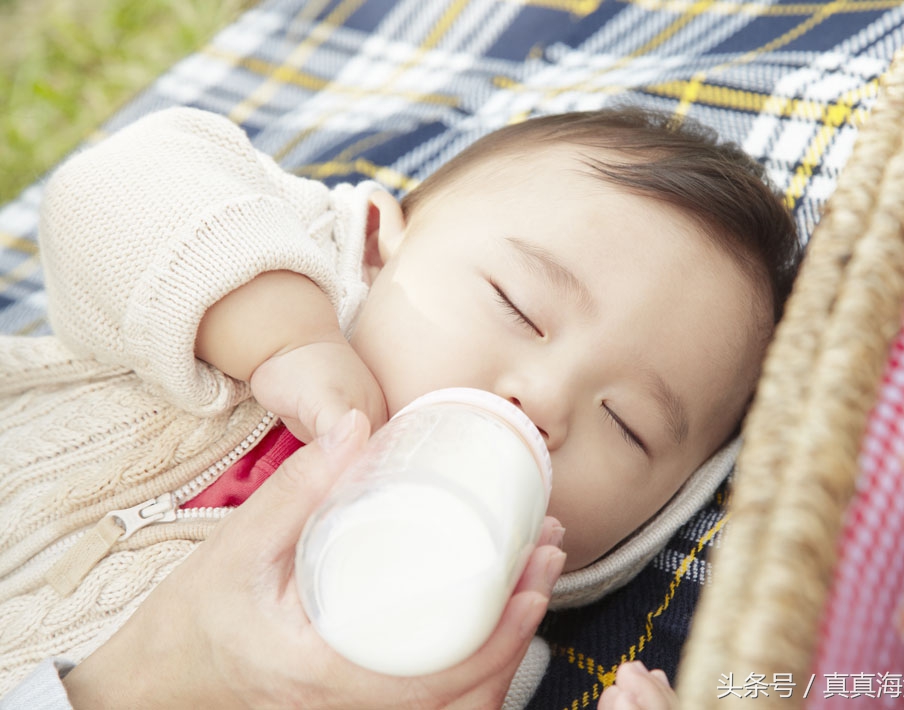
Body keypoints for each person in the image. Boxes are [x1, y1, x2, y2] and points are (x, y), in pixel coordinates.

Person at [0, 104, 800, 708]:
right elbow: (121, 182)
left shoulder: (469, 652)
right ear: (380, 246)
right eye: (518, 307)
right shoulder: (284, 279)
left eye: (628, 425)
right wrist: (280, 334)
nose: (544, 400)